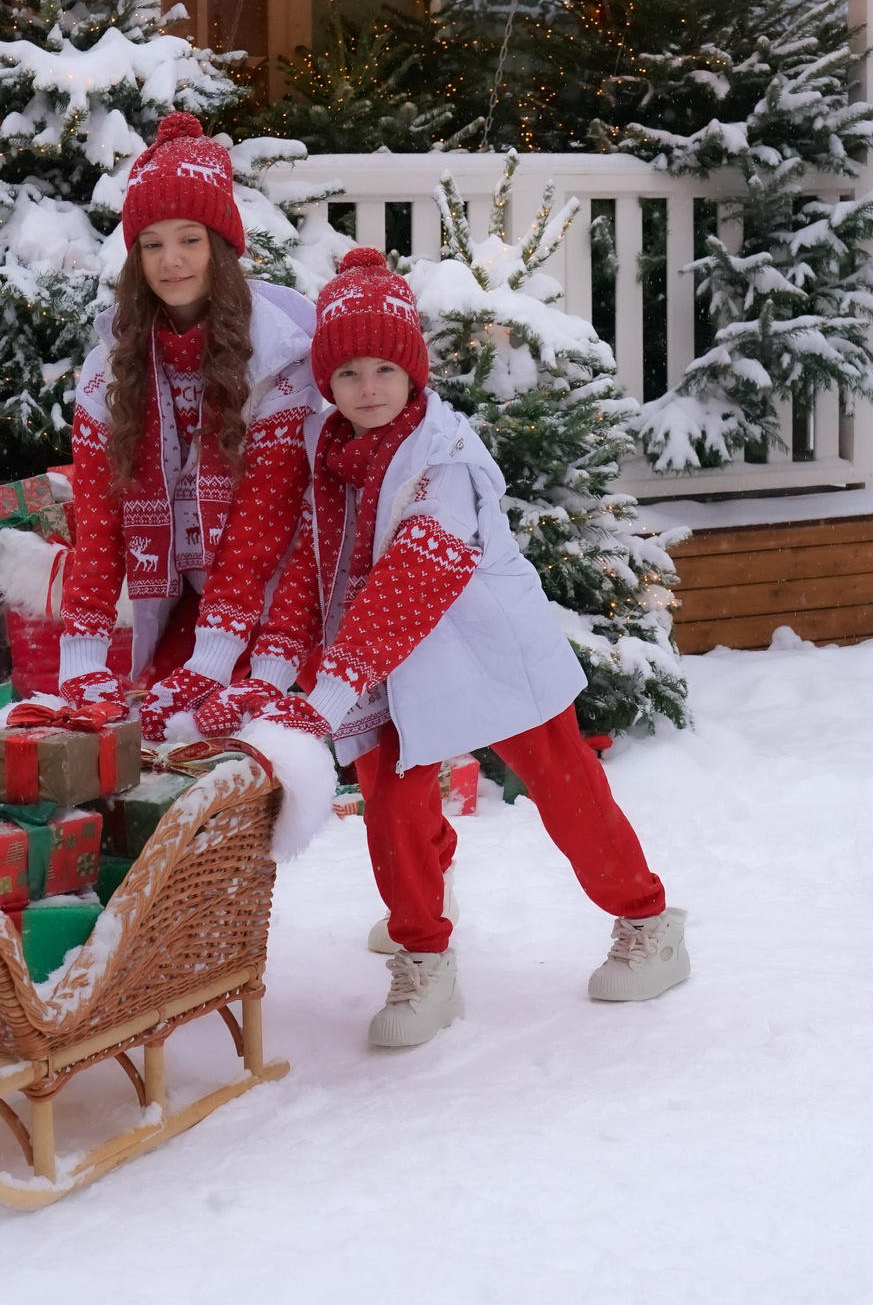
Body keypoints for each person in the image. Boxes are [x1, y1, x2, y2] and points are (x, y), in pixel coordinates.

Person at [214, 247, 691, 1048]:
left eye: (385, 368)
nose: (368, 387)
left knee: (565, 786)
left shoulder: (445, 457)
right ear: (328, 382)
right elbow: (307, 565)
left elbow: (413, 576)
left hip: (486, 651)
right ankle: (425, 951)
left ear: (413, 371)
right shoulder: (326, 453)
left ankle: (647, 920)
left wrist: (333, 683)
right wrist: (277, 662)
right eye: (348, 372)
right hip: (388, 663)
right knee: (394, 809)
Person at [57, 113, 320, 738]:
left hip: (282, 600)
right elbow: (98, 520)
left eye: (189, 239)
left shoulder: (278, 359)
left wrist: (215, 659)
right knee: (157, 739)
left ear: (221, 246)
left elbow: (263, 523)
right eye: (151, 244)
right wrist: (83, 655)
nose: (170, 261)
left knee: (256, 752)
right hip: (187, 596)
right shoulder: (111, 368)